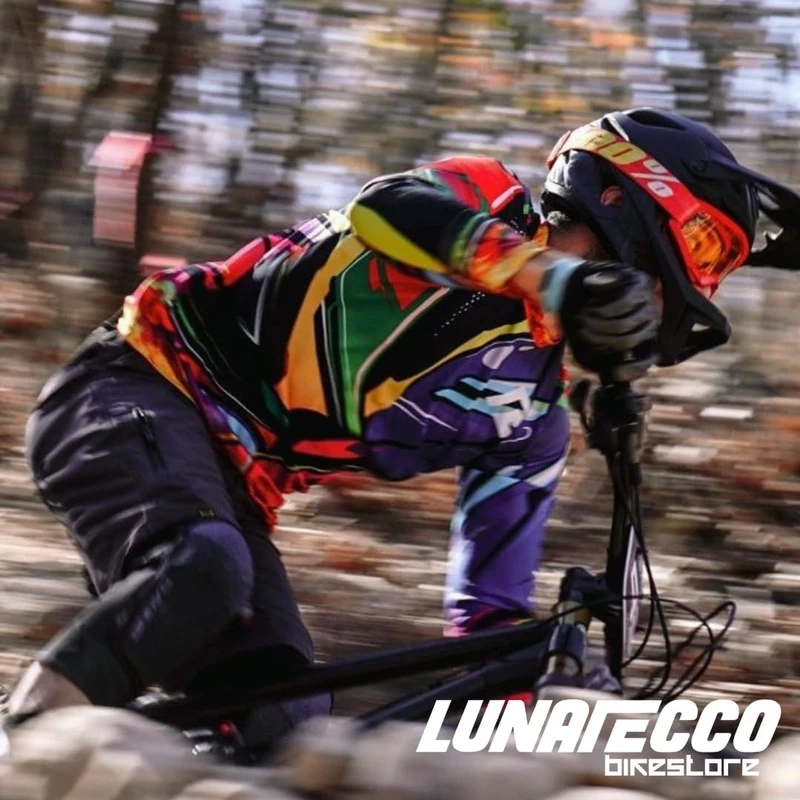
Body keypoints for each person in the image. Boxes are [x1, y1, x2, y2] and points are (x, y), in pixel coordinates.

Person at [6, 107, 798, 742]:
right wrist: (555, 278)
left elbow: (485, 620)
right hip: (132, 384)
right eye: (698, 252)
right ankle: (24, 746)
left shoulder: (531, 417)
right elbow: (384, 208)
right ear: (620, 196)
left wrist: (549, 694)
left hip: (233, 492)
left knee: (284, 727)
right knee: (204, 569)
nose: (686, 292)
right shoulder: (483, 199)